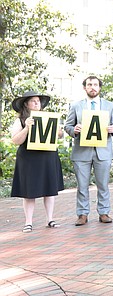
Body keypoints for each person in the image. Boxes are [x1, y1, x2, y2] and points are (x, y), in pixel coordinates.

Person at [64, 76, 113, 226]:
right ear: (84, 87)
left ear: (100, 87)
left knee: (103, 184)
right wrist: (73, 130)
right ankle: (82, 214)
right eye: (89, 84)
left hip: (103, 151)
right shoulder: (76, 106)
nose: (92, 87)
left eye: (95, 85)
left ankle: (104, 212)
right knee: (82, 185)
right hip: (81, 151)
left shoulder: (109, 105)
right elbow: (67, 126)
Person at [10, 91, 64, 232]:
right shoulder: (20, 120)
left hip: (48, 156)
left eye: (38, 101)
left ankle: (50, 219)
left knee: (50, 189)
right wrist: (27, 128)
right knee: (29, 191)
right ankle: (28, 222)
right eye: (33, 101)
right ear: (26, 104)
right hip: (29, 158)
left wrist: (58, 130)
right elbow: (16, 140)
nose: (36, 103)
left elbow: (60, 135)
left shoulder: (48, 117)